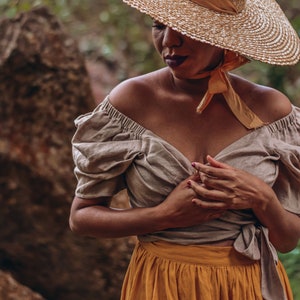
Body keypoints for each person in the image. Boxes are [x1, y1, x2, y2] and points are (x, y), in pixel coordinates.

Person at [69, 0, 300, 299]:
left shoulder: (272, 111)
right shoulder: (131, 102)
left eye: (186, 29)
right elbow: (81, 218)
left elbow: (287, 240)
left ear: (223, 35)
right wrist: (164, 215)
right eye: (159, 25)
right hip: (160, 284)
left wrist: (261, 196)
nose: (168, 41)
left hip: (247, 285)